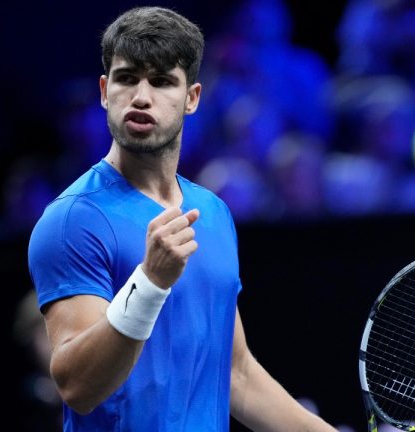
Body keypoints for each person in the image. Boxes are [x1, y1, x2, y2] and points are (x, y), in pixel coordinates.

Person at [27, 6, 335, 431]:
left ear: (192, 98)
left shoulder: (213, 212)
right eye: (126, 78)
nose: (141, 96)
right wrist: (150, 282)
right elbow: (78, 388)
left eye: (161, 81)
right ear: (104, 91)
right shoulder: (71, 221)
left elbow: (236, 374)